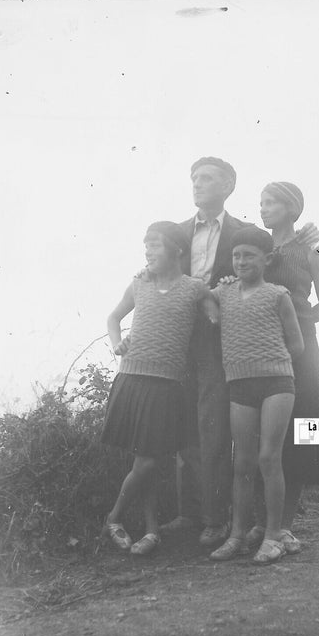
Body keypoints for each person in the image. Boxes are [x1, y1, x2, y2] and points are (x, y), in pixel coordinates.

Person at [159, 157, 319, 547]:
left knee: (279, 435)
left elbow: (301, 273)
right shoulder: (191, 235)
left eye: (208, 178)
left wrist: (286, 331)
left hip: (259, 348)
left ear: (229, 185)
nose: (198, 184)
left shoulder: (277, 239)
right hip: (201, 343)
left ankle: (266, 525)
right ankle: (204, 516)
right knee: (196, 431)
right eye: (193, 177)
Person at [101, 221, 218, 556]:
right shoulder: (139, 283)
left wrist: (221, 294)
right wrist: (116, 343)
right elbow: (113, 318)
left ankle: (113, 518)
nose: (148, 251)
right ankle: (151, 530)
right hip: (132, 379)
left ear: (177, 250)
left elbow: (216, 317)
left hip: (167, 385)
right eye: (146, 245)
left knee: (148, 460)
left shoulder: (195, 288)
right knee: (145, 458)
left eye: (155, 245)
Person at [245, 181, 319, 554]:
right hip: (259, 351)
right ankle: (259, 523)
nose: (263, 208)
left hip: (300, 352)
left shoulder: (315, 245)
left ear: (291, 208)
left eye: (271, 203)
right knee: (261, 436)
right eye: (261, 202)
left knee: (300, 431)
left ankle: (283, 526)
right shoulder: (258, 248)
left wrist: (296, 326)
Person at [208, 226, 304, 564]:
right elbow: (197, 296)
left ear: (267, 258)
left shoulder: (278, 294)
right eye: (236, 255)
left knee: (268, 458)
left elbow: (296, 343)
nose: (241, 261)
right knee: (242, 462)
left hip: (277, 384)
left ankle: (273, 534)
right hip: (239, 384)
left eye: (249, 255)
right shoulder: (223, 294)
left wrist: (270, 364)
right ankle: (237, 534)